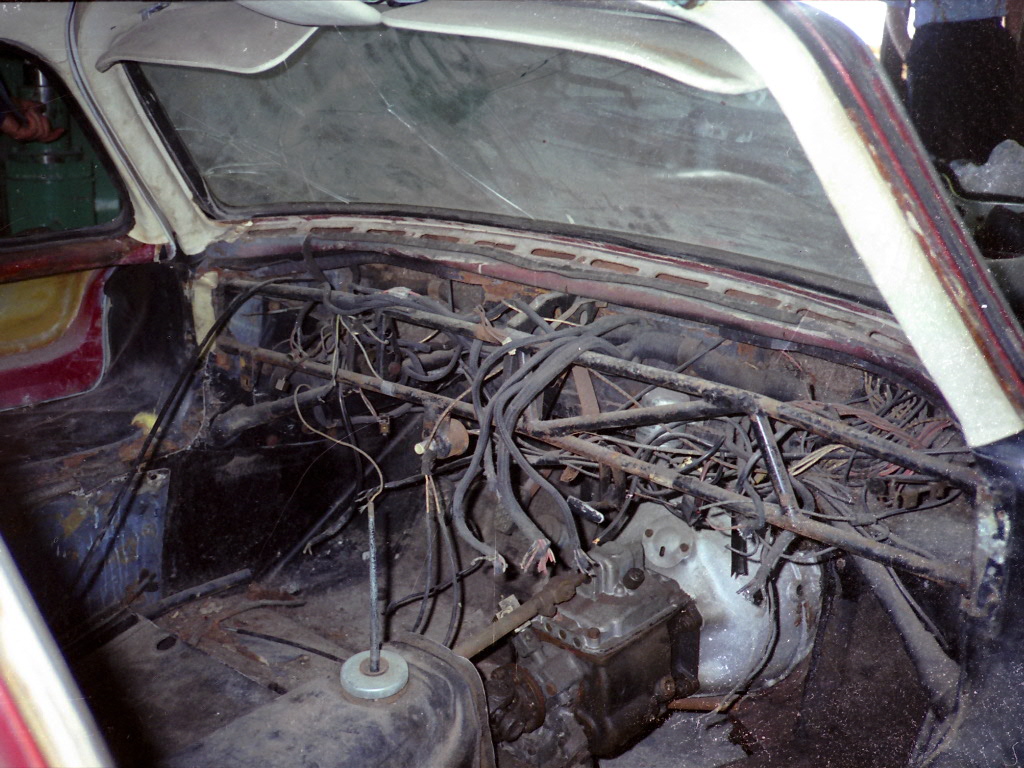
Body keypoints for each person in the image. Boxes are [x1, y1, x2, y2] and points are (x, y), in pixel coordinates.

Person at [885, 0, 1023, 164]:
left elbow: (1016, 4)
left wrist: (1010, 43)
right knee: (938, 139)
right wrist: (911, 57)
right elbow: (895, 9)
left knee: (991, 141)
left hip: (989, 43)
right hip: (936, 45)